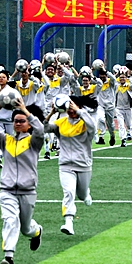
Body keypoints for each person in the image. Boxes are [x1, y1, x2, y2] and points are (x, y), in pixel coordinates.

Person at [0, 99, 44, 264]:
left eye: (21, 121)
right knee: (10, 220)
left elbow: (40, 130)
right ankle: (9, 257)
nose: (18, 124)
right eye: (15, 121)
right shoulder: (6, 140)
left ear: (28, 124)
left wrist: (25, 110)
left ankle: (37, 231)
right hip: (7, 190)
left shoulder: (34, 142)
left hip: (28, 191)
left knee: (26, 229)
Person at [44, 95, 95, 235]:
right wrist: (51, 113)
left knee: (81, 195)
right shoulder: (61, 122)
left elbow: (93, 126)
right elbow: (44, 128)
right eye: (68, 108)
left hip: (83, 164)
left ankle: (86, 193)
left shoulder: (85, 122)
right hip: (65, 165)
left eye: (72, 107)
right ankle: (68, 222)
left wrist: (79, 111)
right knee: (69, 192)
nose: (70, 110)